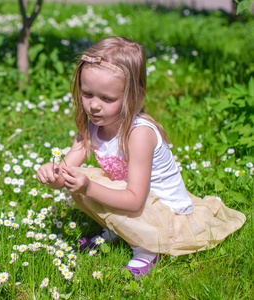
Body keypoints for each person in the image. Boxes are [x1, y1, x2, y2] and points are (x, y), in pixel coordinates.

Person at [36, 36, 246, 278]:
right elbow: (65, 169)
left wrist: (89, 188)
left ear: (134, 97)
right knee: (80, 178)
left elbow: (135, 200)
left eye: (107, 99)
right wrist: (53, 175)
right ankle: (122, 230)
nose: (94, 106)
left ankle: (147, 249)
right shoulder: (93, 125)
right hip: (134, 197)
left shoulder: (139, 134)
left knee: (89, 183)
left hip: (163, 212)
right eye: (87, 94)